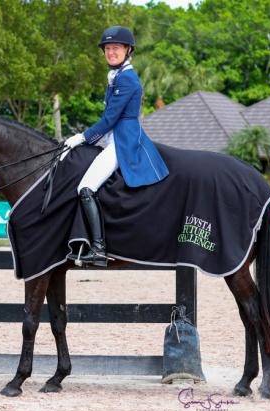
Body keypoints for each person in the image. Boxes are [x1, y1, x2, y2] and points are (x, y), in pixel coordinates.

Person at [61, 25, 170, 267]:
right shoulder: (117, 77)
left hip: (123, 141)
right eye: (107, 48)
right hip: (113, 138)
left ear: (127, 50)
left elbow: (110, 119)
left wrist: (82, 137)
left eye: (116, 48)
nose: (111, 52)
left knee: (86, 187)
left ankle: (99, 249)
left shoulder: (127, 79)